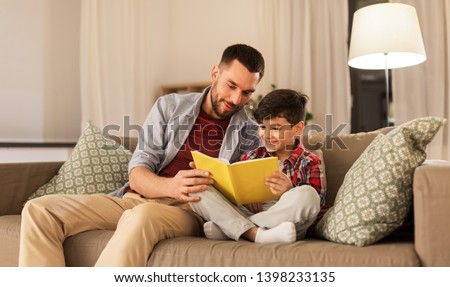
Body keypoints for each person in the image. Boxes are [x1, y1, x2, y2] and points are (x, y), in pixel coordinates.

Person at [18, 43, 265, 267]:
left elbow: (249, 191)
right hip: (133, 199)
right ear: (215, 74)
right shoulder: (169, 107)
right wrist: (171, 186)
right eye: (231, 86)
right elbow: (138, 173)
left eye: (246, 92)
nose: (235, 99)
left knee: (142, 216)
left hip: (188, 212)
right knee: (40, 210)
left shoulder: (252, 133)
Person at [189, 89, 326, 243]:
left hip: (285, 219)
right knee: (197, 188)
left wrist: (288, 191)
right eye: (262, 126)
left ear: (298, 129)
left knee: (309, 195)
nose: (266, 136)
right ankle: (256, 234)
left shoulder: (310, 161)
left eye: (275, 128)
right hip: (244, 212)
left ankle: (234, 229)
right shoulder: (251, 156)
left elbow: (315, 208)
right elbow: (235, 194)